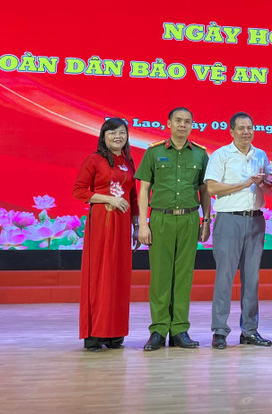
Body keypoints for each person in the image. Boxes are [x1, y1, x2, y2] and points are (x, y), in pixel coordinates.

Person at [136, 107, 210, 351]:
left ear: (192, 125)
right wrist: (143, 224)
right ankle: (158, 329)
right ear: (169, 123)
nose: (182, 125)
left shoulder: (200, 154)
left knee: (183, 276)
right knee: (160, 276)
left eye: (187, 121)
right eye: (178, 120)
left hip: (189, 219)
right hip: (161, 220)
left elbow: (205, 190)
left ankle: (179, 330)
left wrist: (206, 220)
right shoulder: (154, 152)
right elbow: (144, 189)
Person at [204, 112, 272, 349]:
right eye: (241, 128)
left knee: (252, 279)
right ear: (231, 131)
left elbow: (269, 187)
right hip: (228, 220)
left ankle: (250, 330)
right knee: (225, 276)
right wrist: (245, 183)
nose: (246, 132)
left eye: (250, 128)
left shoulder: (260, 154)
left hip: (255, 220)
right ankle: (220, 331)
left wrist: (265, 183)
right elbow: (212, 187)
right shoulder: (221, 155)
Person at [73, 117, 139, 352]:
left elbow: (132, 195)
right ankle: (94, 334)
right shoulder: (94, 159)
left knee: (119, 277)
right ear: (103, 136)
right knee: (100, 275)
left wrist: (137, 224)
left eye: (121, 133)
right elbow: (79, 190)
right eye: (111, 133)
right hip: (102, 222)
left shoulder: (129, 162)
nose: (117, 137)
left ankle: (114, 333)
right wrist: (108, 199)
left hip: (123, 225)